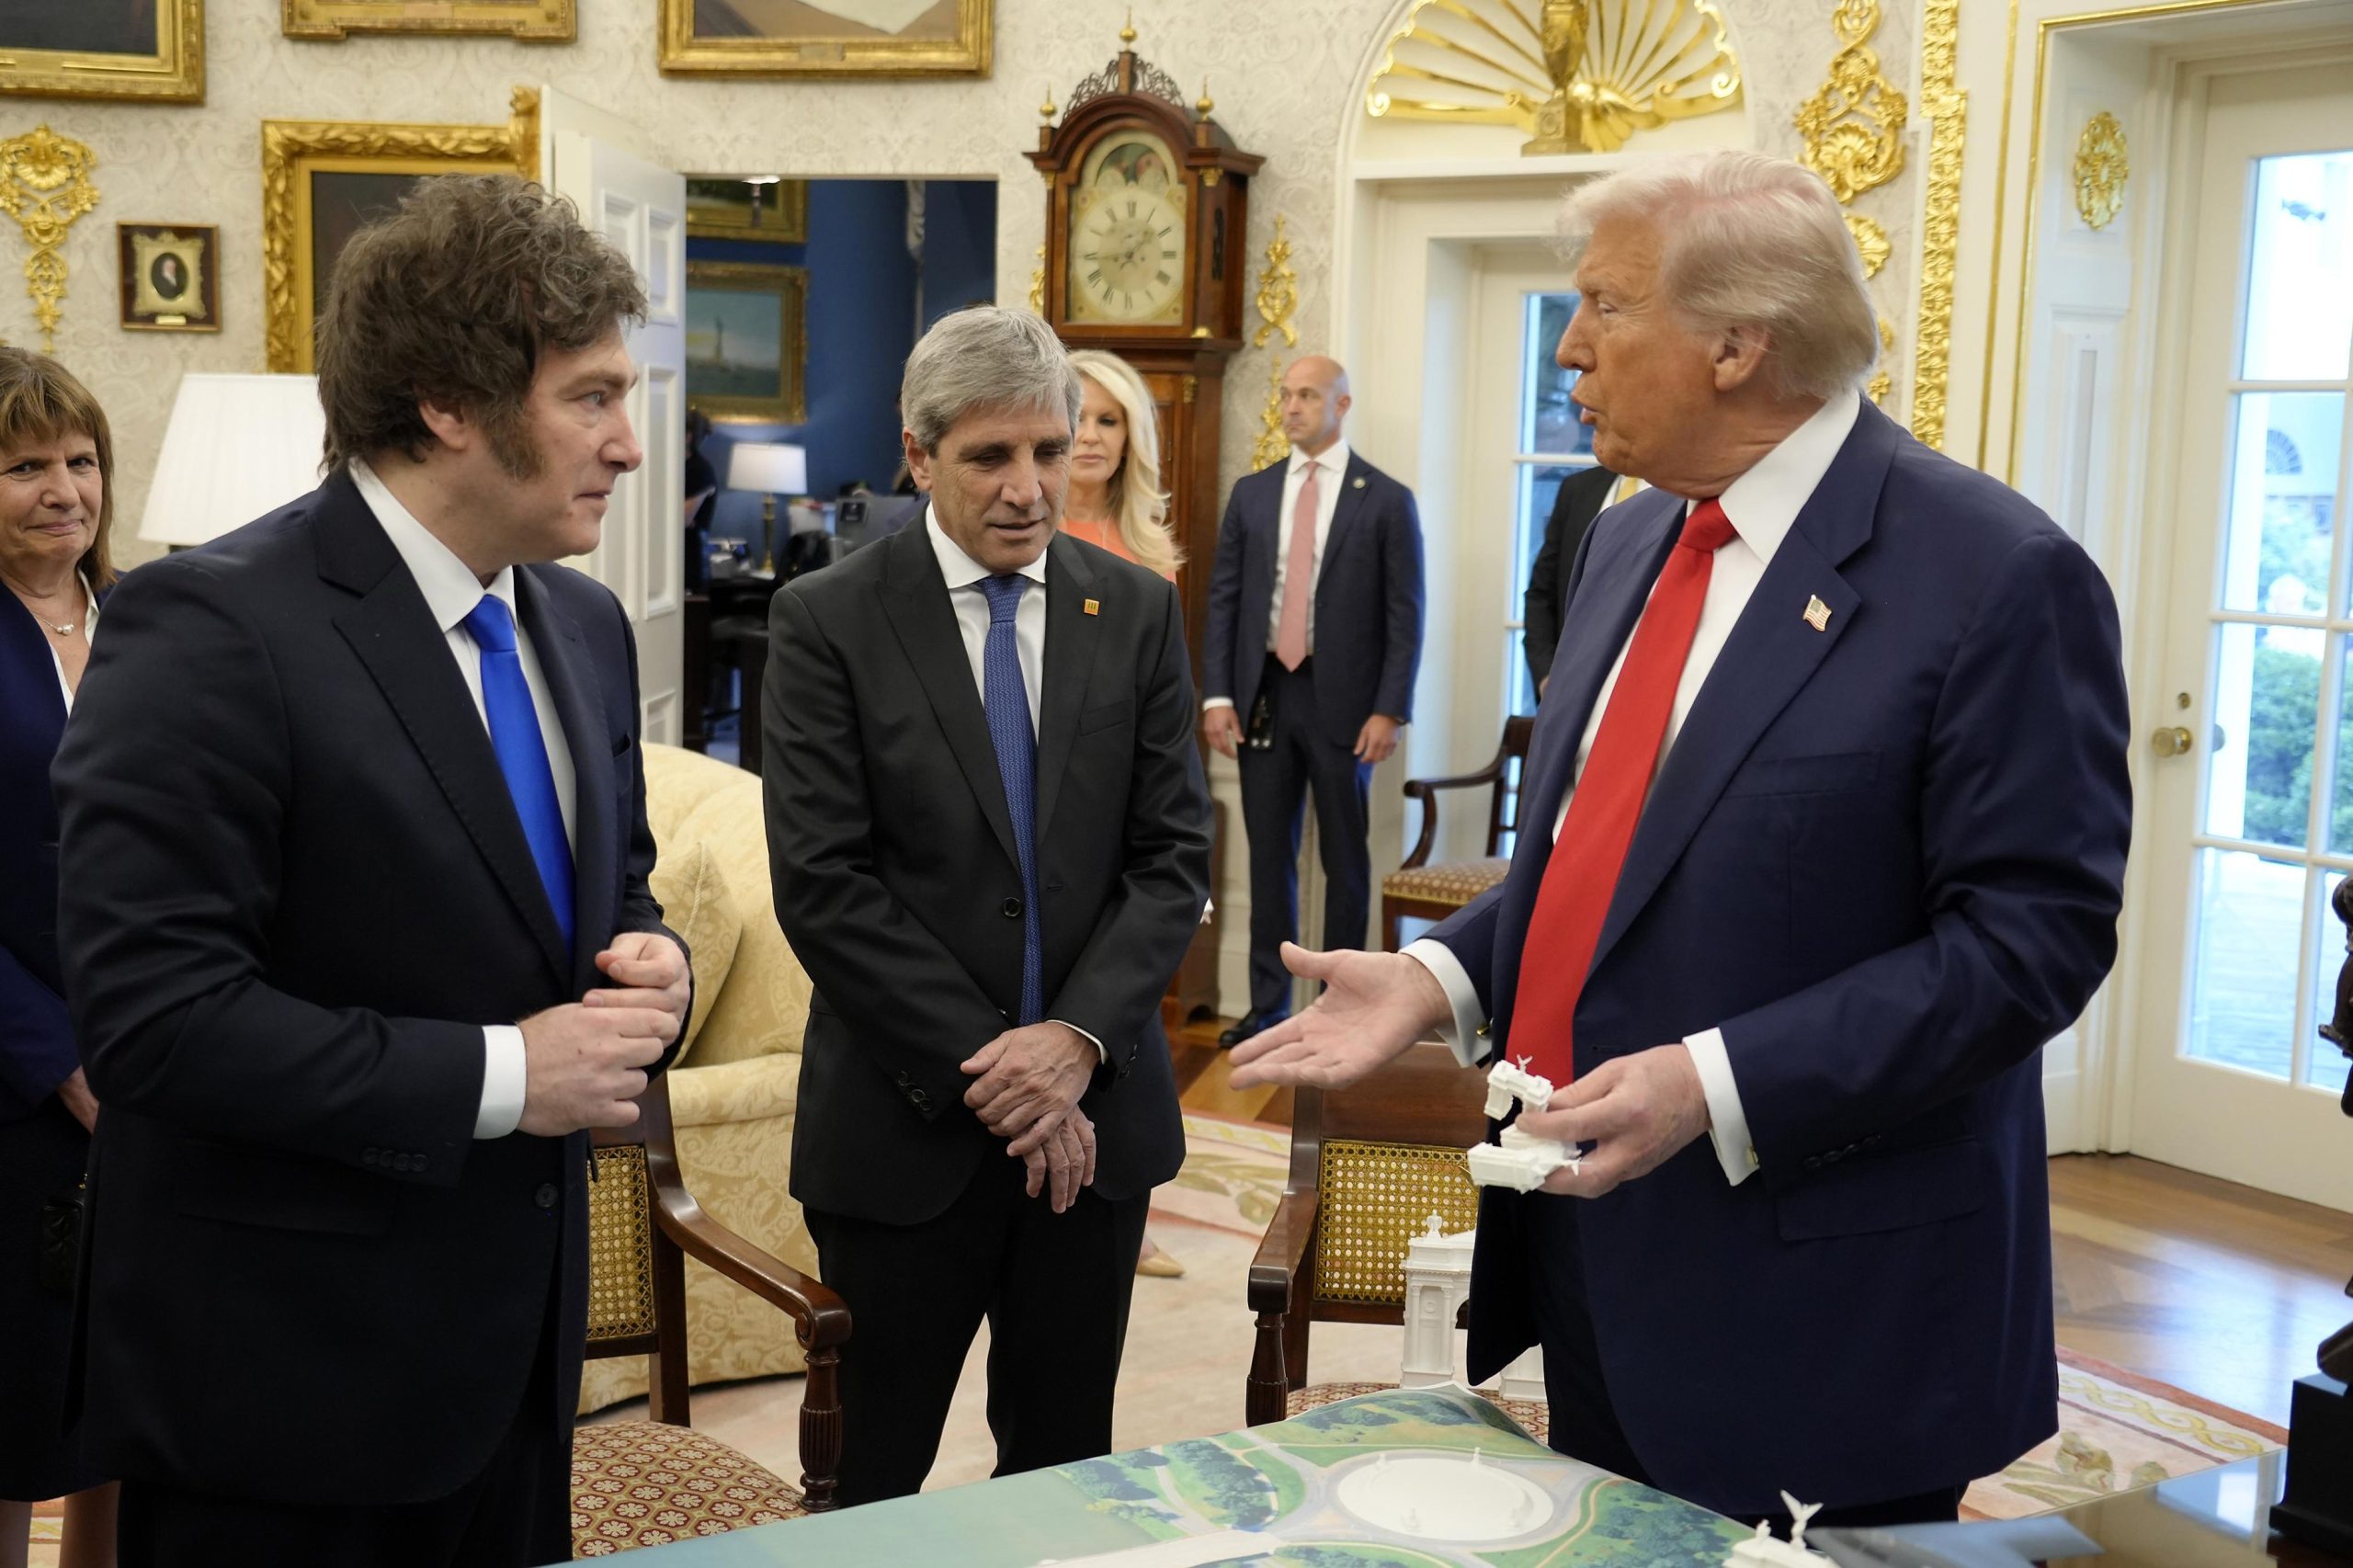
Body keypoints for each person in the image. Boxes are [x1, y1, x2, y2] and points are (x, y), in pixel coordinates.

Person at [1230, 150, 2132, 1529]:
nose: (1570, 351)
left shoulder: (1996, 574)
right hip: (1592, 1248)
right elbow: (1598, 852)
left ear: (1735, 344)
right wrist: (1441, 978)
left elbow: (2032, 945)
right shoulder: (1625, 535)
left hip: (1831, 1306)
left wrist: (1713, 1083)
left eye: (1603, 307)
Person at [52, 175, 690, 1567]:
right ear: (449, 404)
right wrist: (516, 1076)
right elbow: (156, 1021)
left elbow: (609, 895)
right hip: (286, 1394)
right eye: (589, 397)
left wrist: (656, 962)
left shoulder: (581, 627)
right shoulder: (210, 626)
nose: (630, 445)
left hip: (518, 1369)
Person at [764, 307, 1211, 1506]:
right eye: (989, 457)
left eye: (1049, 451)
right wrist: (1000, 1073)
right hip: (903, 1134)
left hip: (1095, 1128)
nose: (1028, 488)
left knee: (1064, 1473)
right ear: (919, 455)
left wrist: (1072, 1045)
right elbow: (824, 883)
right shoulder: (826, 622)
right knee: (872, 1477)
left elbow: (1174, 856)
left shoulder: (1139, 611)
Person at [1201, 355, 1424, 1048]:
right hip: (1264, 695)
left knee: (1345, 861)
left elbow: (1404, 612)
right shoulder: (1254, 493)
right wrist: (1217, 696)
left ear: (1342, 404)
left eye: (1306, 395)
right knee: (1267, 854)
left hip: (1348, 706)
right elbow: (1226, 601)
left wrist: (1389, 708)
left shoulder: (1384, 498)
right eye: (1285, 395)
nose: (1291, 407)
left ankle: (1345, 1006)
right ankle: (1267, 1003)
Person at [0, 349, 119, 1568]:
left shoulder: (153, 619)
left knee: (135, 1398)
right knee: (15, 1405)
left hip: (165, 1064)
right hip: (19, 1084)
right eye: (24, 464)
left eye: (79, 461)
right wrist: (60, 1060)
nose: (61, 489)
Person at [1064, 347, 1188, 1281]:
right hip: (1041, 836)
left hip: (1129, 840)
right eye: (1078, 415)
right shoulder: (1010, 539)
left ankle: (1120, 1196)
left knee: (1121, 1018)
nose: (1090, 436)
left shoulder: (1148, 557)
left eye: (1111, 420)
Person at [1521, 463, 1618, 699]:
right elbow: (1542, 593)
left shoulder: (1685, 494)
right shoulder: (1577, 488)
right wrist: (1546, 674)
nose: (1588, 423)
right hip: (1569, 694)